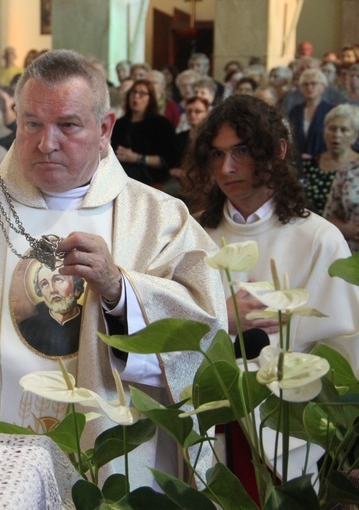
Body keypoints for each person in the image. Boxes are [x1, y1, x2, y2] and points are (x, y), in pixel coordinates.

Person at [0, 49, 226, 488]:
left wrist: (119, 290)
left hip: (112, 456)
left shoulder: (156, 218)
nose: (45, 143)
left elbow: (202, 339)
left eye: (67, 126)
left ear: (105, 128)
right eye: (32, 123)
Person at [184, 93, 359, 486]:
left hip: (288, 433)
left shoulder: (319, 239)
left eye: (241, 151)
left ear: (278, 150)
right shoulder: (193, 234)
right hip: (207, 426)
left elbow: (346, 355)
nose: (227, 167)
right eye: (215, 154)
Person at [111, 79, 178, 186]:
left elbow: (168, 159)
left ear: (150, 98)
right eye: (134, 92)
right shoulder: (119, 124)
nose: (136, 96)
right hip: (120, 179)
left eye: (142, 93)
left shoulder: (161, 124)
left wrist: (137, 158)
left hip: (150, 181)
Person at [17, 262, 85, 357]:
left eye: (58, 279)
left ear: (76, 288)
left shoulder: (90, 323)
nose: (52, 290)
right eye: (44, 284)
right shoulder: (27, 328)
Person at [322, 105, 359, 251]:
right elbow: (329, 216)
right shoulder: (348, 170)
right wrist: (349, 230)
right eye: (332, 129)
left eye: (344, 130)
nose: (337, 135)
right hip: (351, 256)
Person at [288, 69, 334, 162]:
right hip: (298, 162)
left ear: (323, 87)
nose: (309, 87)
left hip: (323, 162)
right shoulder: (295, 111)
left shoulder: (331, 111)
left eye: (313, 84)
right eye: (305, 84)